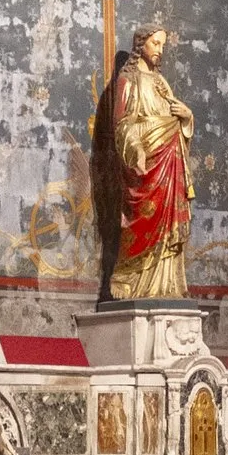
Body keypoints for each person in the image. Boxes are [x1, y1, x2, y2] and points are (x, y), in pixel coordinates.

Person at [90, 21, 195, 303]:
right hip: (146, 167)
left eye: (163, 44)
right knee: (142, 221)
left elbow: (173, 118)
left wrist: (187, 118)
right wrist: (135, 147)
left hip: (169, 165)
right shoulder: (128, 80)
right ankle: (132, 283)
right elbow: (121, 124)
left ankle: (167, 284)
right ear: (141, 45)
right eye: (155, 43)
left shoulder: (161, 82)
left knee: (168, 226)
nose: (160, 50)